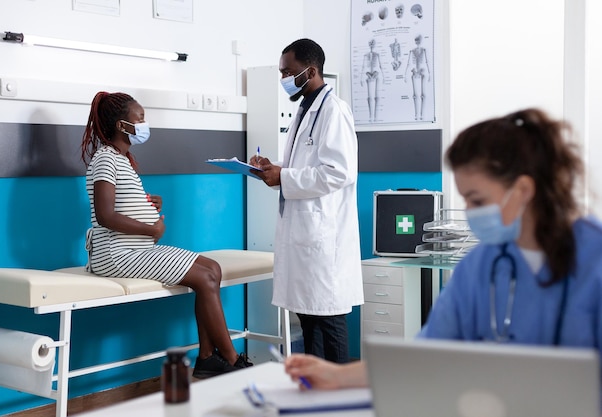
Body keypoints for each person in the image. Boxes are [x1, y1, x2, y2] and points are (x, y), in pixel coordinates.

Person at [284, 108, 602, 391]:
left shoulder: (594, 262)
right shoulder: (480, 267)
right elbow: (427, 355)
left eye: (477, 201)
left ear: (523, 190)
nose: (470, 211)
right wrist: (337, 376)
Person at [80, 91, 252, 379]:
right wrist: (152, 228)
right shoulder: (105, 159)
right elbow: (105, 215)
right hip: (117, 255)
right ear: (122, 125)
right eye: (141, 118)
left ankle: (208, 357)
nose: (146, 124)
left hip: (137, 251)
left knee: (213, 268)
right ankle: (233, 360)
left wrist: (147, 202)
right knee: (205, 277)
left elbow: (121, 201)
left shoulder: (122, 159)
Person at [249, 39, 364, 364]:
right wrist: (275, 170)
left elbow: (338, 173)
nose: (284, 78)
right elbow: (308, 169)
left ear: (311, 71)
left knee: (328, 320)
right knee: (309, 318)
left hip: (323, 238)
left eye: (289, 71)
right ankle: (314, 390)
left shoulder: (334, 110)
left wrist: (284, 177)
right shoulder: (304, 110)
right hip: (304, 236)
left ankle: (340, 397)